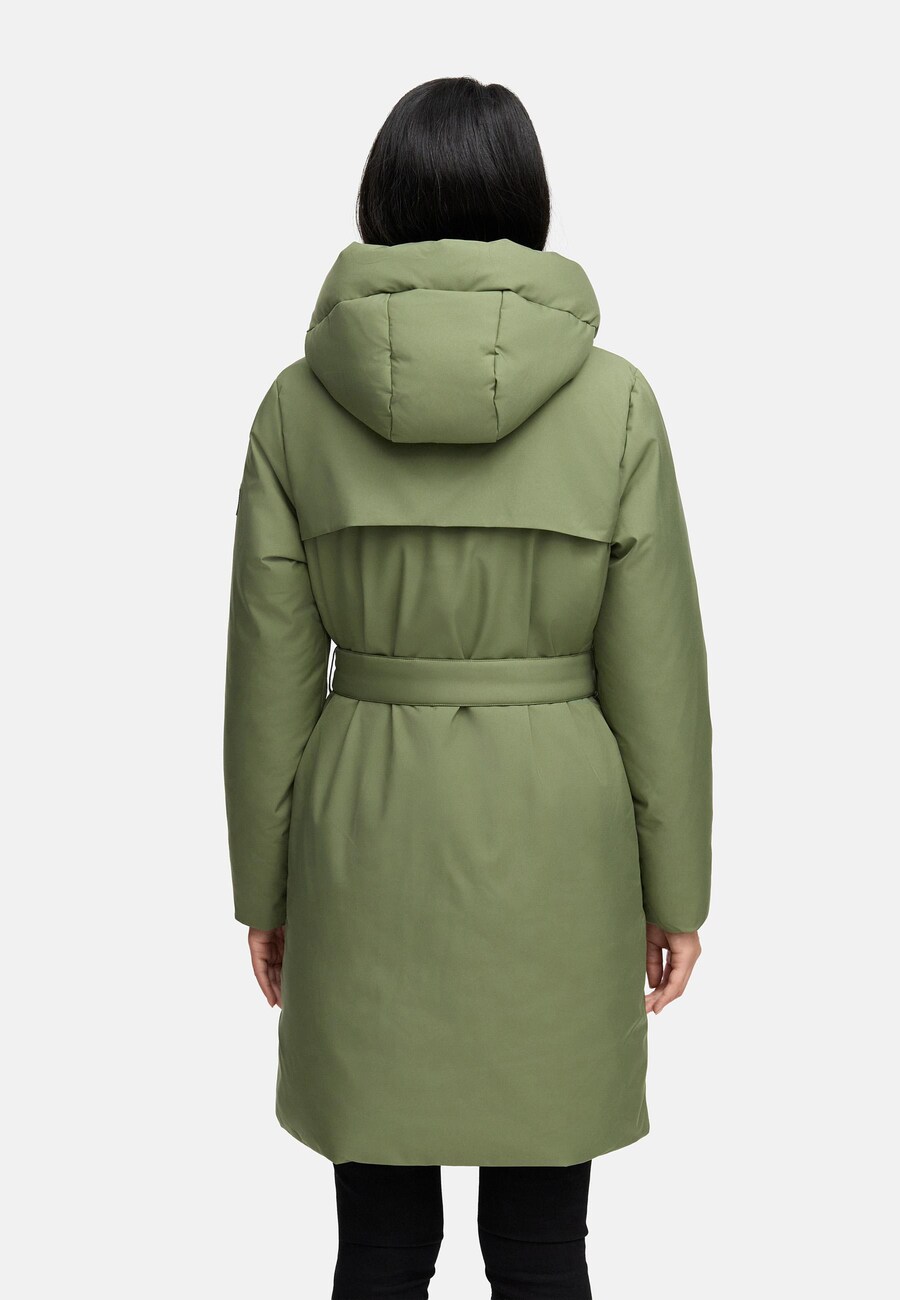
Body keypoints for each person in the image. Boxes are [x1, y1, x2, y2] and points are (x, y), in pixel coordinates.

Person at [224, 76, 712, 1300]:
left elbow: (267, 675)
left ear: (380, 199)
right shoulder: (615, 403)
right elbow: (657, 670)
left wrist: (264, 889)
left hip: (364, 828)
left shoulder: (297, 407)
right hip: (560, 836)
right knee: (544, 1248)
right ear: (529, 202)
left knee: (379, 1248)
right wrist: (678, 890)